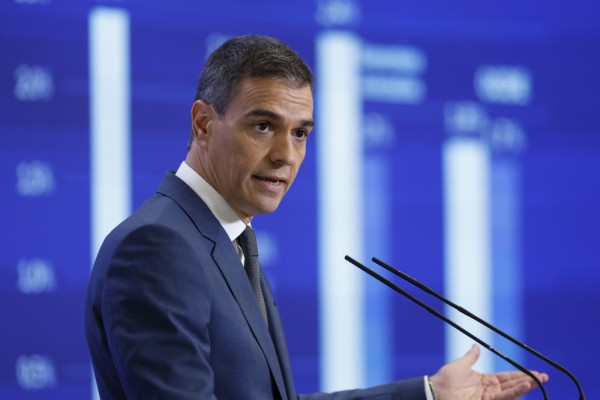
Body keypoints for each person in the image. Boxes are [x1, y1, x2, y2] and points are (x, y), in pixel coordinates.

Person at [84, 34, 548, 399]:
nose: (286, 155)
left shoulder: (227, 239)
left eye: (301, 132)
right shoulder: (159, 247)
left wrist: (428, 395)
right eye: (263, 126)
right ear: (203, 124)